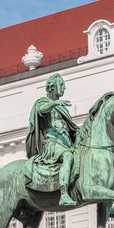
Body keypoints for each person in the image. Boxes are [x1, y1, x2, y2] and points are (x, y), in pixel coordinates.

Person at [26, 73, 78, 206]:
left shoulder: (62, 108)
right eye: (62, 85)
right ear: (52, 87)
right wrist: (54, 103)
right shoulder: (43, 102)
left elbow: (71, 128)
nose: (64, 88)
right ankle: (64, 194)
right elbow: (41, 110)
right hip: (52, 143)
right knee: (68, 157)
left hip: (66, 143)